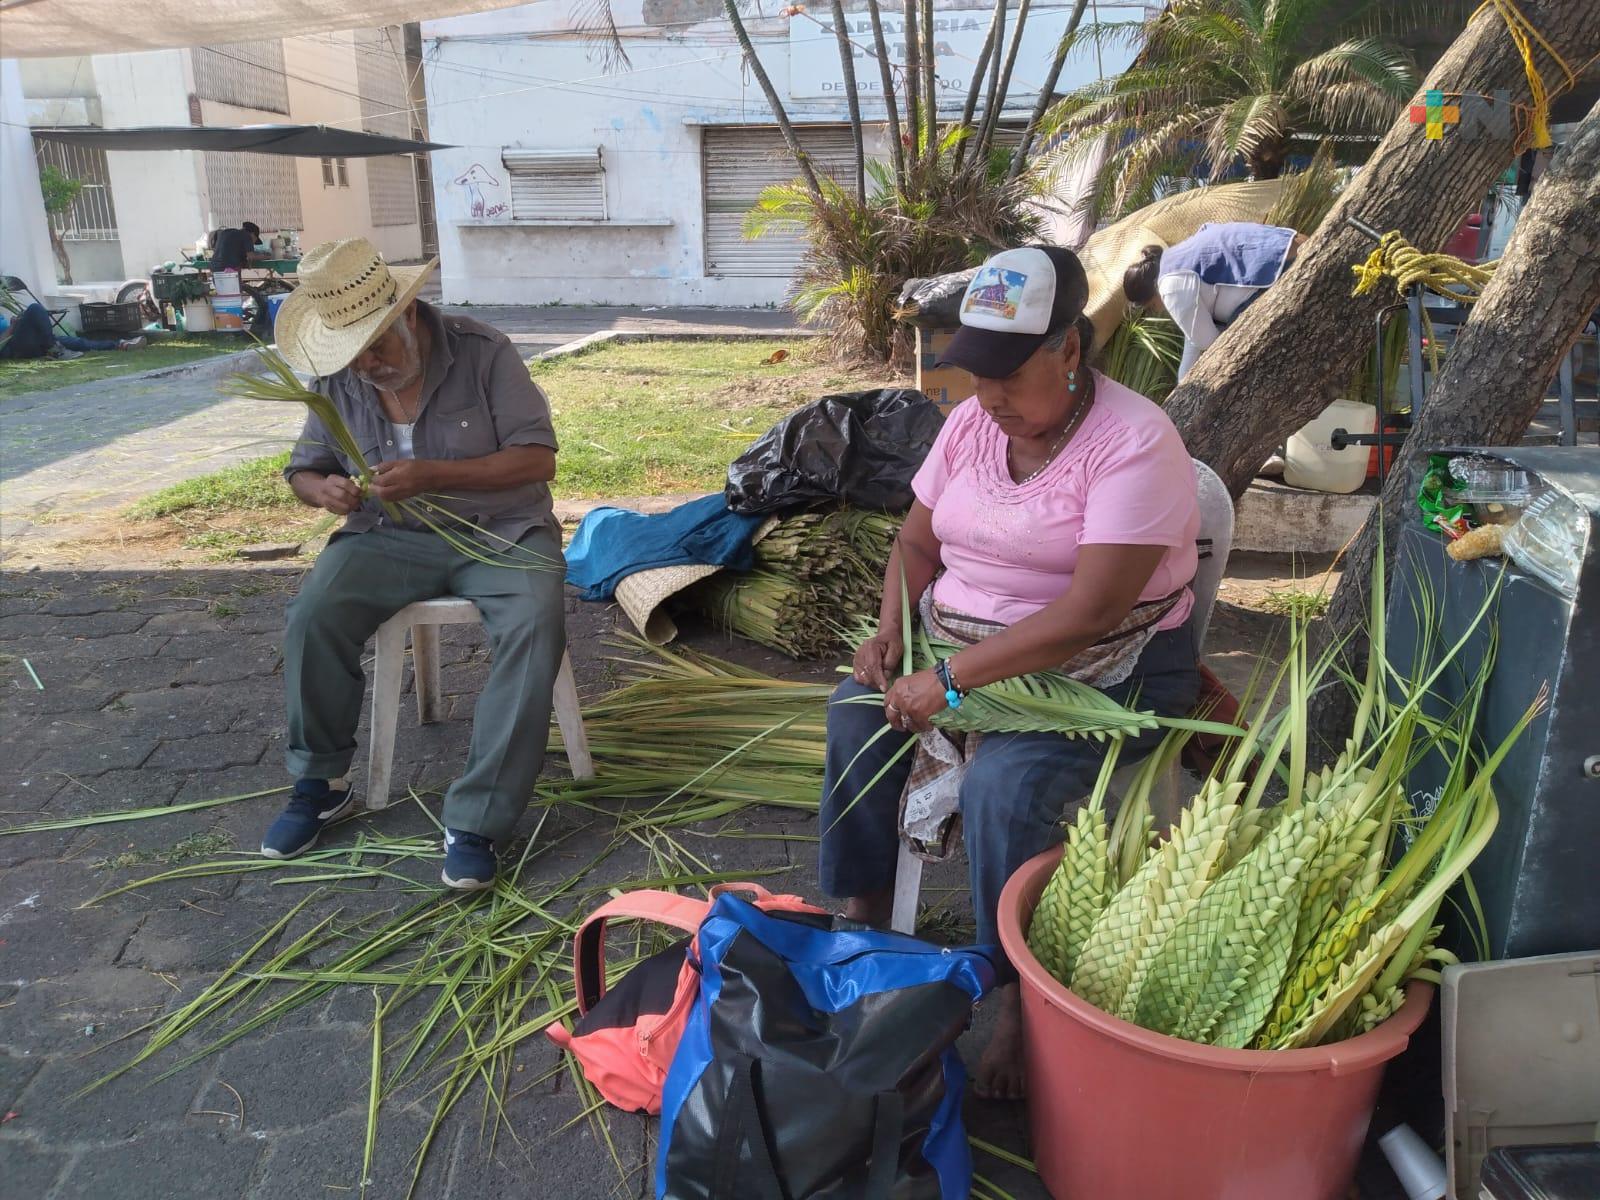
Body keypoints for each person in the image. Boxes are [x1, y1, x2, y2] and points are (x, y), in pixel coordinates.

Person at [819, 245, 1202, 1098]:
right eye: (976, 376)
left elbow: (1091, 614)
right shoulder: (970, 426)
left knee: (1004, 787)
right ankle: (863, 929)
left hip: (1107, 674)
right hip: (958, 647)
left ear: (1069, 348)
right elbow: (916, 543)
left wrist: (952, 682)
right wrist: (889, 636)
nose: (988, 398)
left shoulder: (1135, 442)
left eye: (1009, 376)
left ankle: (1020, 1000)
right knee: (856, 715)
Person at [263, 237, 565, 892]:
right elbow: (303, 469)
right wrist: (322, 490)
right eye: (353, 353)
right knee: (314, 612)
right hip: (388, 534)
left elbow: (538, 458)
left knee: (536, 621)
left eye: (378, 346)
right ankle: (321, 782)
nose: (367, 364)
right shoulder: (341, 371)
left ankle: (478, 819)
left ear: (405, 314)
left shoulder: (484, 353)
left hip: (502, 530)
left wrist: (432, 473)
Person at [1123, 221, 1306, 379]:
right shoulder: (1174, 259)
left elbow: (1210, 344)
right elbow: (1193, 335)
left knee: (1233, 356)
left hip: (1277, 269)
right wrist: (1182, 381)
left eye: (1151, 307)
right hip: (1287, 244)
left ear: (1149, 295)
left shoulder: (1169, 287)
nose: (1157, 310)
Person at [0, 301, 144, 361]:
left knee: (78, 342)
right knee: (34, 308)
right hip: (12, 347)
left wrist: (15, 324)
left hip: (25, 340)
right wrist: (13, 327)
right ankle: (53, 348)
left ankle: (120, 344)